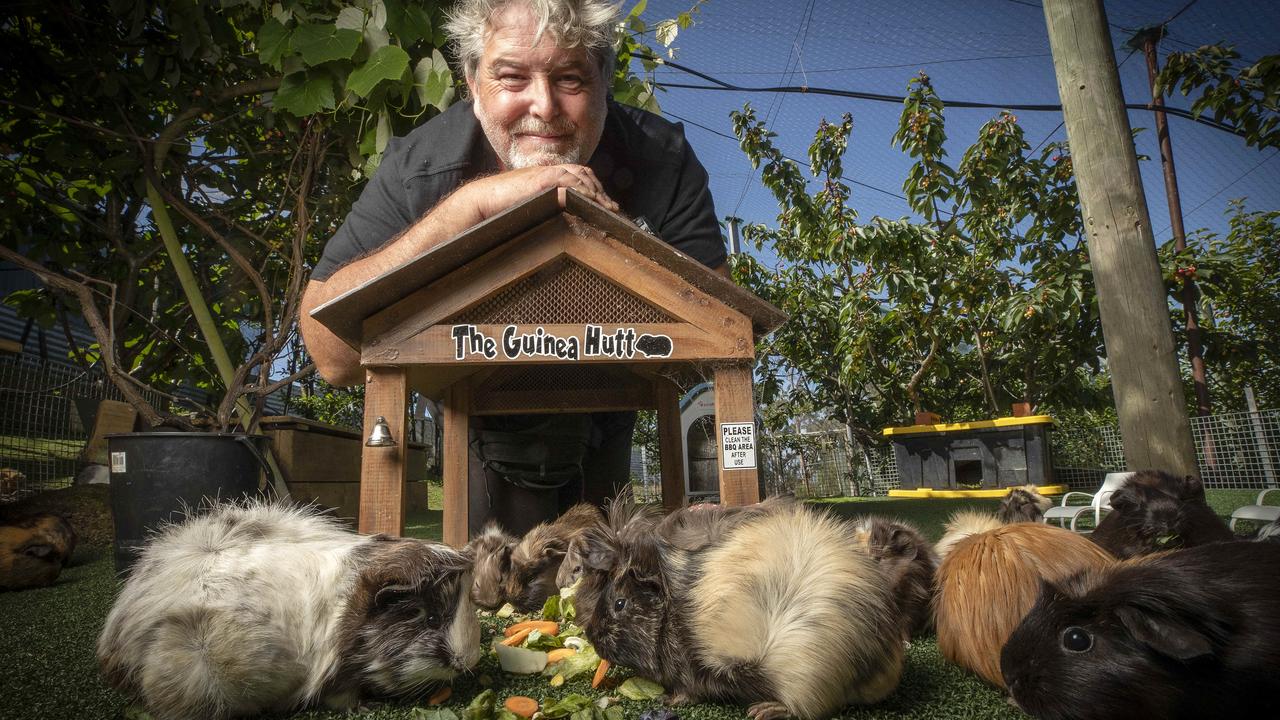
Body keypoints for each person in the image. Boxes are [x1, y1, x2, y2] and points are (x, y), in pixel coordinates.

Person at [299, 0, 728, 536]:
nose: (544, 107)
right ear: (473, 83)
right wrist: (467, 209)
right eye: (512, 77)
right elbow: (330, 355)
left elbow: (722, 342)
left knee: (604, 574)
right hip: (474, 417)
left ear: (604, 83)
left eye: (570, 78)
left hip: (613, 399)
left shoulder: (662, 161)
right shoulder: (421, 167)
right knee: (491, 581)